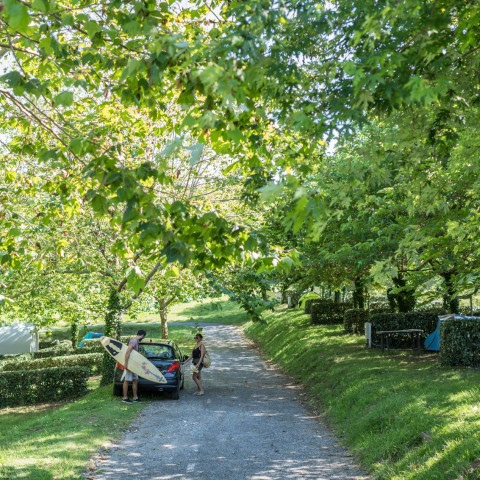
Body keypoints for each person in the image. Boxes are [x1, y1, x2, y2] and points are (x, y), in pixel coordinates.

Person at [122, 329, 147, 404]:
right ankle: (125, 398)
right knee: (127, 380)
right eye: (143, 337)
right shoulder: (133, 341)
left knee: (135, 380)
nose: (143, 338)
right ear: (142, 335)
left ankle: (135, 397)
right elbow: (127, 352)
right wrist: (126, 363)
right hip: (130, 364)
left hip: (134, 365)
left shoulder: (136, 341)